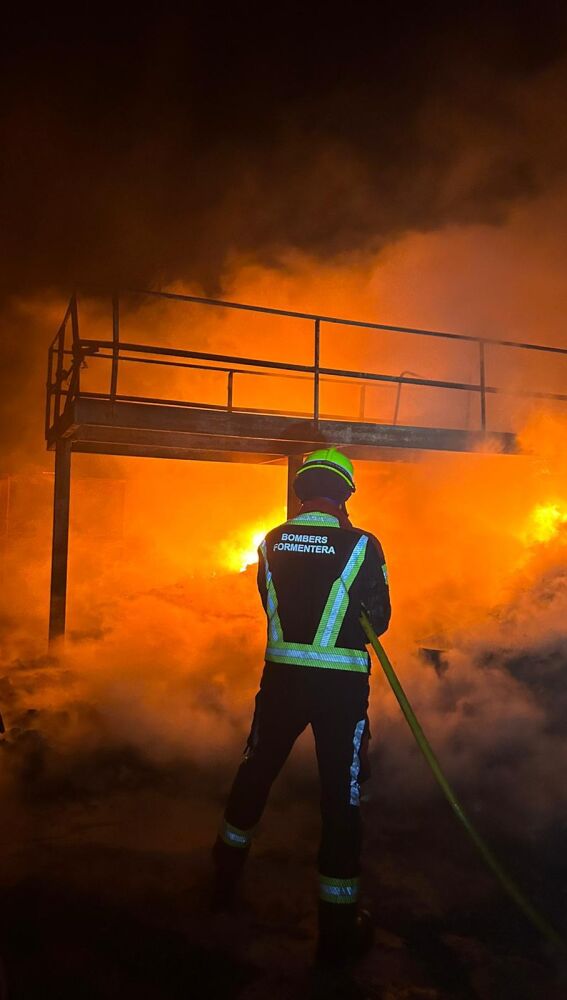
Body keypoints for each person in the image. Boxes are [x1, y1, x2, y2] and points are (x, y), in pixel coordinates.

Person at [212, 448, 391, 967]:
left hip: (282, 681)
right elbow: (377, 619)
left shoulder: (270, 541)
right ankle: (338, 928)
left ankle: (223, 881)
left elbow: (268, 601)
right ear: (345, 495)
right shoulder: (362, 543)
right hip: (340, 691)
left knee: (256, 771)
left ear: (301, 491)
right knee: (342, 797)